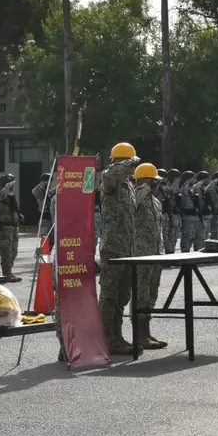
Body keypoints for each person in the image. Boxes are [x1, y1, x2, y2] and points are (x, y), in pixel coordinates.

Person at [98, 142, 139, 355]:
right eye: (130, 164)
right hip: (112, 249)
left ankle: (117, 336)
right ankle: (107, 338)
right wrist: (122, 163)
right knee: (109, 297)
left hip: (128, 249)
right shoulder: (110, 182)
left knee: (123, 297)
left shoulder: (128, 186)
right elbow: (106, 176)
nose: (133, 169)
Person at [132, 163, 167, 350]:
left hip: (155, 253)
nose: (157, 185)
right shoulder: (135, 195)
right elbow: (132, 205)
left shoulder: (155, 201)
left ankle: (146, 332)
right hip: (140, 253)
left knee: (151, 294)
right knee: (140, 294)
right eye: (154, 182)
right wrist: (143, 186)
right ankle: (138, 335)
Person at [0, 174, 23, 282]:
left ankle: (9, 272)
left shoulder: (10, 194)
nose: (13, 185)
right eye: (12, 183)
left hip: (13, 226)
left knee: (13, 251)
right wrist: (7, 185)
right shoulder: (2, 193)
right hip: (5, 227)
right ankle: (6, 274)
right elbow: (2, 197)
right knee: (6, 251)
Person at [177, 171, 198, 252]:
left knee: (192, 235)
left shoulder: (191, 189)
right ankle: (185, 251)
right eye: (192, 178)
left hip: (193, 215)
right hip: (187, 215)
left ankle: (188, 251)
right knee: (186, 235)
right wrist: (186, 183)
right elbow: (185, 193)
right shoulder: (184, 188)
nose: (194, 180)